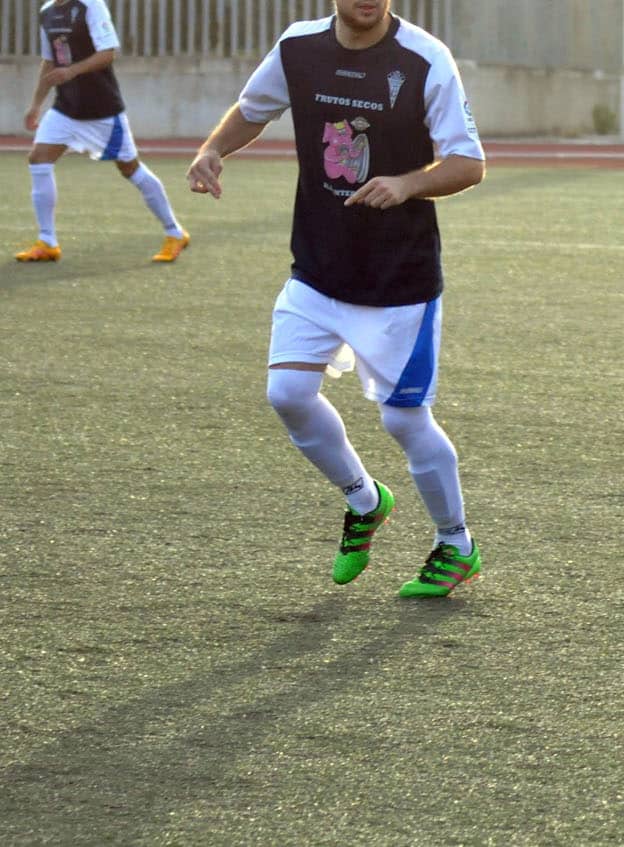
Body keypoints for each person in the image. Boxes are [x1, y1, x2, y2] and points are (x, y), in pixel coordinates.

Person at [184, 0, 488, 598]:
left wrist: (406, 183)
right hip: (318, 268)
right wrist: (215, 148)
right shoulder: (298, 48)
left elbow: (469, 163)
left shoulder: (425, 59)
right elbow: (252, 109)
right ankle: (365, 499)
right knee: (288, 393)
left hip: (398, 280)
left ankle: (457, 544)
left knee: (403, 418)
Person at [16, 0, 188, 264]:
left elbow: (107, 52)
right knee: (38, 158)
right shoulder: (47, 11)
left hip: (102, 110)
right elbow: (49, 61)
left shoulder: (90, 5)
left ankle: (174, 232)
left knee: (130, 168)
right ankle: (47, 242)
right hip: (65, 109)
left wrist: (71, 71)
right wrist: (36, 104)